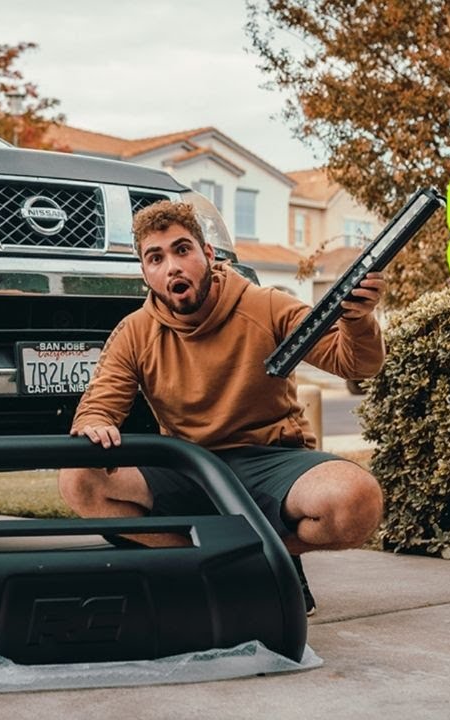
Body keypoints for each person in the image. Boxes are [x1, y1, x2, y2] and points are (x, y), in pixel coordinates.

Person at [59, 201, 387, 616]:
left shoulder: (268, 306)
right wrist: (95, 423)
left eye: (182, 250)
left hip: (272, 461)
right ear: (145, 272)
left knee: (357, 499)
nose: (172, 267)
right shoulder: (135, 332)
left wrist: (358, 320)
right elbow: (99, 405)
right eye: (155, 258)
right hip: (188, 466)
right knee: (78, 479)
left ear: (209, 255)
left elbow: (356, 363)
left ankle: (263, 558)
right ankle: (215, 564)